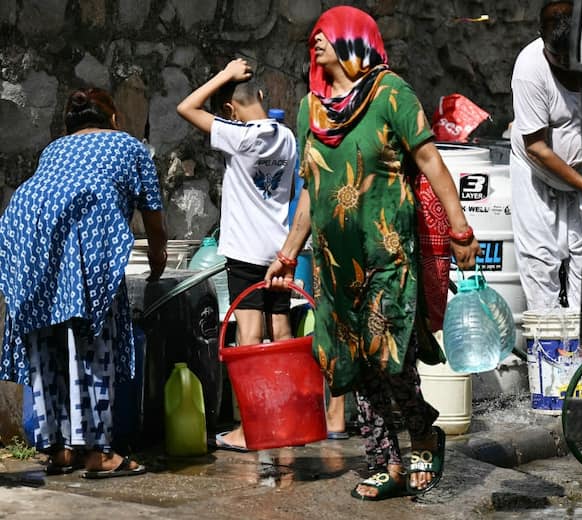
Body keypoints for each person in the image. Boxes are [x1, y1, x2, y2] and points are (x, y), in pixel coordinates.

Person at [264, 6, 479, 500]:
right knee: (352, 362)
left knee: (389, 356)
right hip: (334, 265)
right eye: (314, 35)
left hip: (387, 254)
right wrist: (288, 251)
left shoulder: (390, 93)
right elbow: (310, 190)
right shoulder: (309, 110)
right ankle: (387, 462)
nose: (315, 40)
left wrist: (459, 228)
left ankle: (423, 431)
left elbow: (430, 161)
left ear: (354, 39)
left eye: (326, 33)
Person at [0, 87, 167, 478]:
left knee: (47, 336)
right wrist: (157, 259)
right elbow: (154, 218)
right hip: (85, 231)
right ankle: (97, 452)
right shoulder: (129, 146)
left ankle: (59, 450)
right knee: (92, 337)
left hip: (28, 232)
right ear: (113, 119)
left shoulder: (53, 151)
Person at [177, 58, 298, 451]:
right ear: (262, 96)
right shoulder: (288, 137)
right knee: (281, 333)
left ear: (229, 110)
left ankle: (250, 430)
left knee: (249, 339)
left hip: (245, 253)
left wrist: (224, 75)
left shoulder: (240, 136)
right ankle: (286, 421)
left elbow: (186, 108)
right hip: (280, 251)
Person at [509, 0, 582, 311]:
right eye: (555, 56)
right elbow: (536, 147)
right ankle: (548, 353)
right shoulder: (530, 68)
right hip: (537, 175)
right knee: (540, 264)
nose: (561, 63)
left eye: (568, 57)